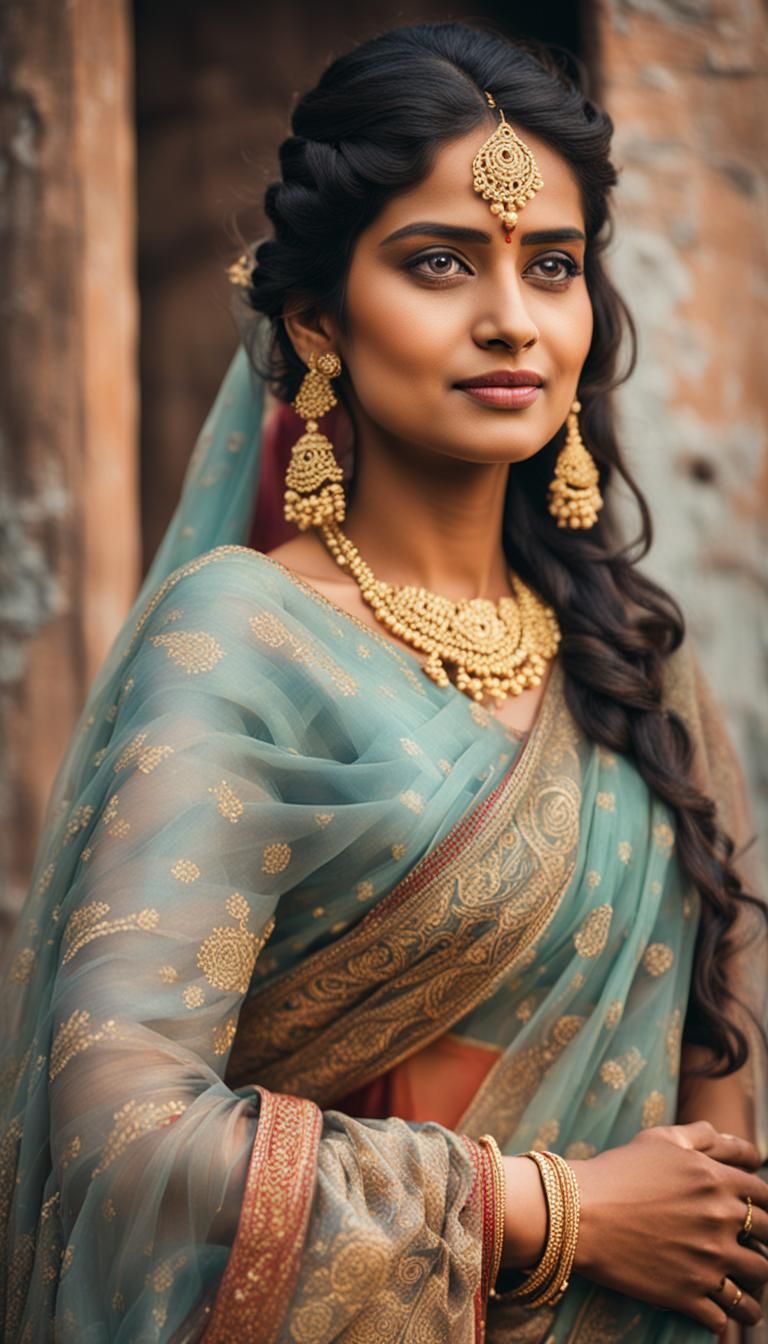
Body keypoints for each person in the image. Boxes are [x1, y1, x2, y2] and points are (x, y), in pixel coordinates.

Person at [0, 21, 766, 1344]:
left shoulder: (636, 658)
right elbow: (121, 1130)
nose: (511, 320)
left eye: (554, 267)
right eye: (438, 263)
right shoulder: (239, 638)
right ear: (317, 319)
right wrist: (555, 1208)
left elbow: (717, 1117)